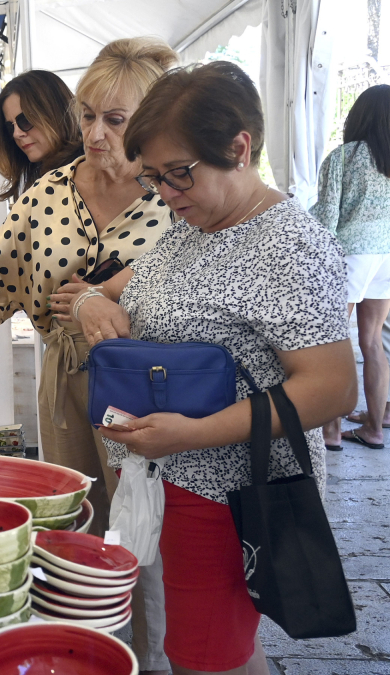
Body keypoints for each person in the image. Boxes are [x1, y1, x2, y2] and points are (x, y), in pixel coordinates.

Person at [53, 61, 357, 675]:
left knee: (206, 653)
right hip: (167, 476)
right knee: (212, 644)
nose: (166, 192)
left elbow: (330, 389)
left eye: (178, 173)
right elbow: (132, 290)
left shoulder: (290, 247)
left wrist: (190, 434)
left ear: (240, 147)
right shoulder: (192, 224)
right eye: (154, 178)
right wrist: (89, 301)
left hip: (226, 491)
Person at [0, 38, 178, 675]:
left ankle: (151, 659)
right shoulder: (46, 196)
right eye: (88, 114)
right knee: (77, 528)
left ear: (150, 121)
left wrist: (110, 292)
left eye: (114, 120)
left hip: (150, 387)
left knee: (151, 535)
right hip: (66, 382)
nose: (95, 133)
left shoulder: (173, 195)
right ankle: (81, 655)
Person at [312, 84, 390, 449]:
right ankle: (374, 428)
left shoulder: (344, 157)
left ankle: (331, 432)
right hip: (387, 256)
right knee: (372, 342)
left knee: (332, 341)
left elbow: (326, 218)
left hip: (351, 254)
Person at [0, 69, 83, 202]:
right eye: (10, 127)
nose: (17, 134)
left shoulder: (88, 176)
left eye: (26, 120)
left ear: (55, 113)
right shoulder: (45, 183)